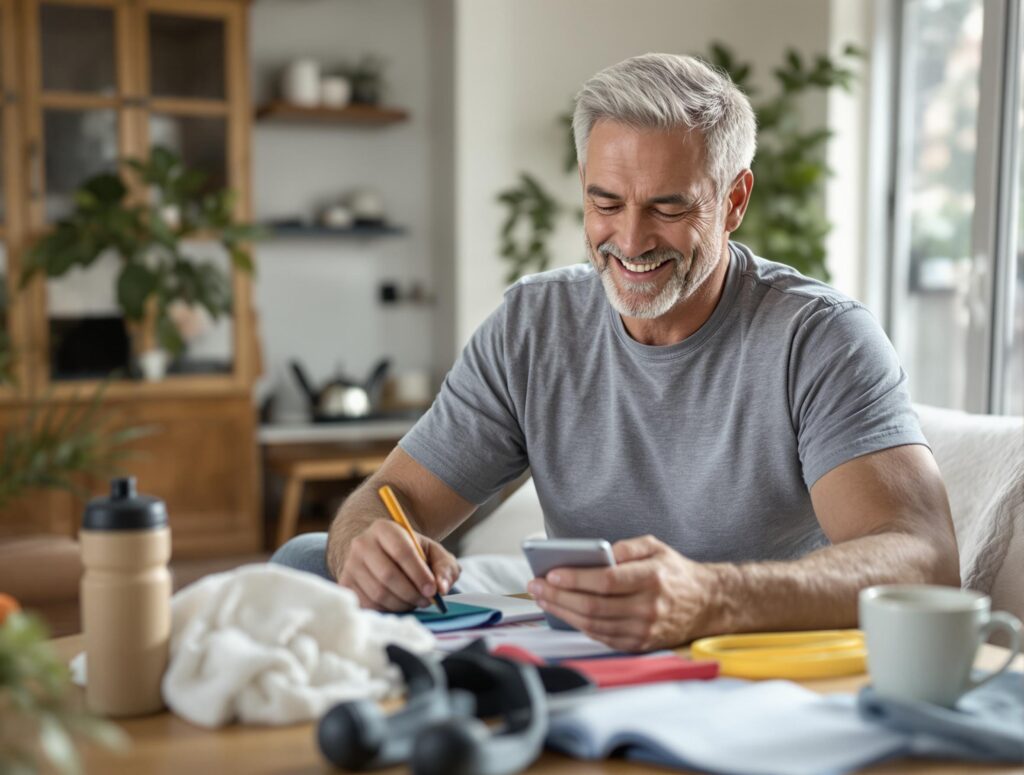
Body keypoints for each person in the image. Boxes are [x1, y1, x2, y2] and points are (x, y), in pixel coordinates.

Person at [273, 53, 959, 651]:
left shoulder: (821, 338)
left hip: (750, 661)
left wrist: (711, 598)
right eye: (606, 203)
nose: (630, 242)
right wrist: (366, 540)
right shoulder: (533, 326)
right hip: (586, 654)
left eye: (667, 208)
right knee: (309, 558)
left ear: (733, 200)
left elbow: (923, 560)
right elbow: (390, 499)